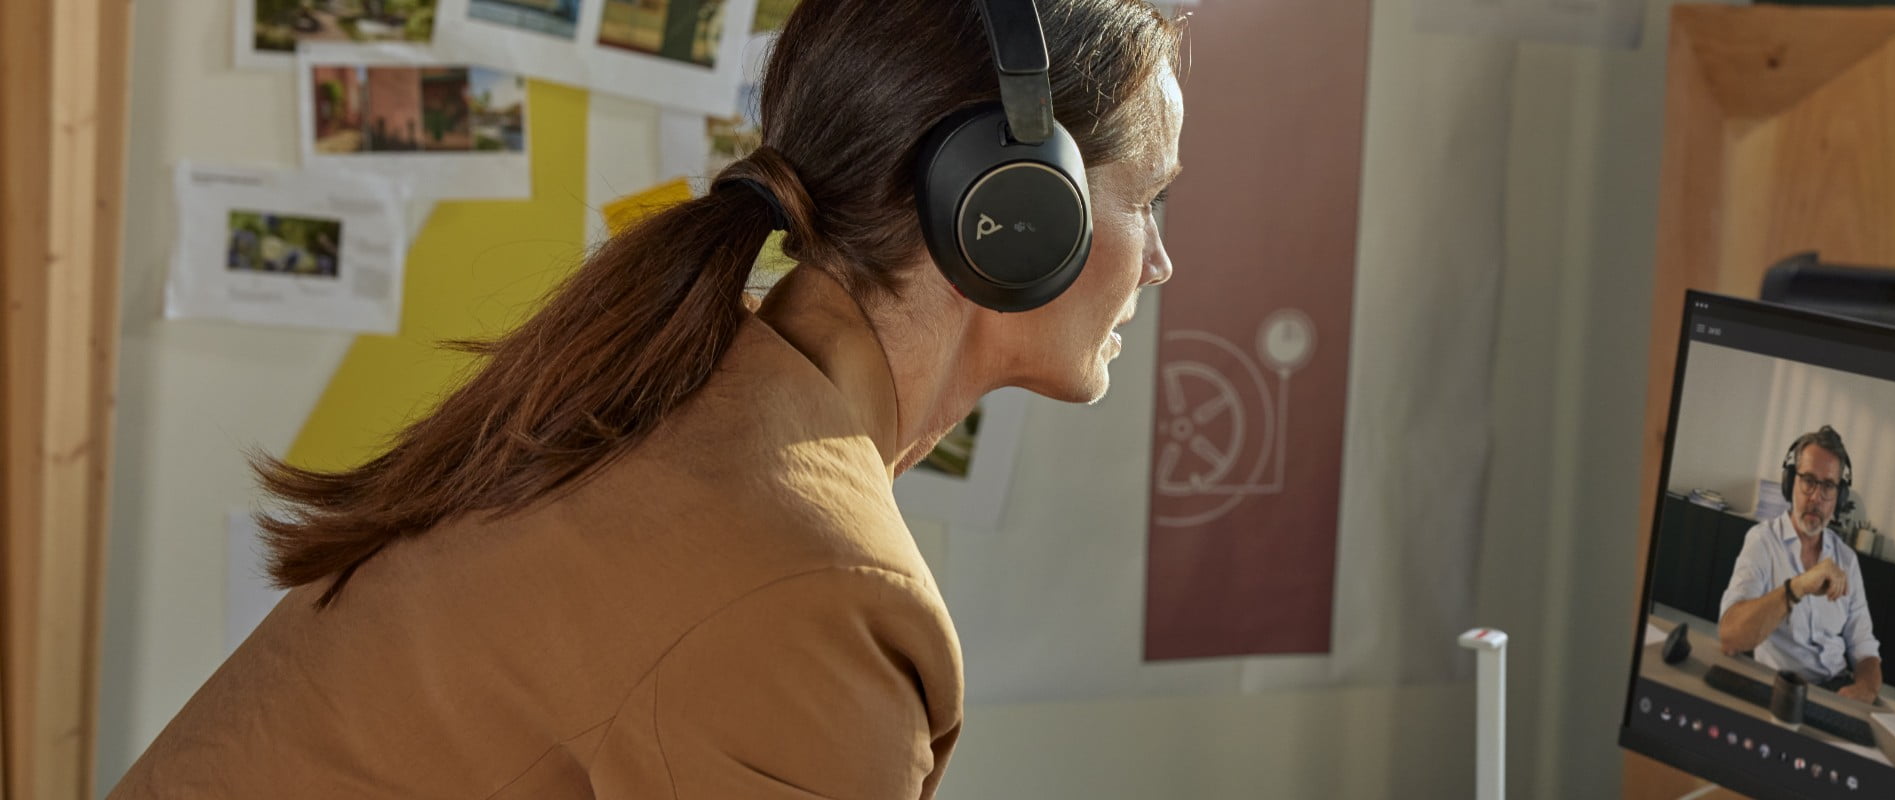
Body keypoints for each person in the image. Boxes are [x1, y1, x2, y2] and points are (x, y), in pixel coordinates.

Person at [110, 1, 1182, 797]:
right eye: (1150, 199)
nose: (1160, 264)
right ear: (1016, 209)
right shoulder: (812, 583)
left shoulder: (681, 410)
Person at [1718, 425, 1884, 703]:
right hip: (1783, 690)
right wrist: (1798, 586)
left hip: (1838, 691)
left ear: (1839, 497)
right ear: (1790, 482)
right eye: (1808, 480)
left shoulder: (1847, 560)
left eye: (1828, 486)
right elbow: (1730, 637)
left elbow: (1864, 648)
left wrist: (1866, 688)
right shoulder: (1762, 542)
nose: (1816, 497)